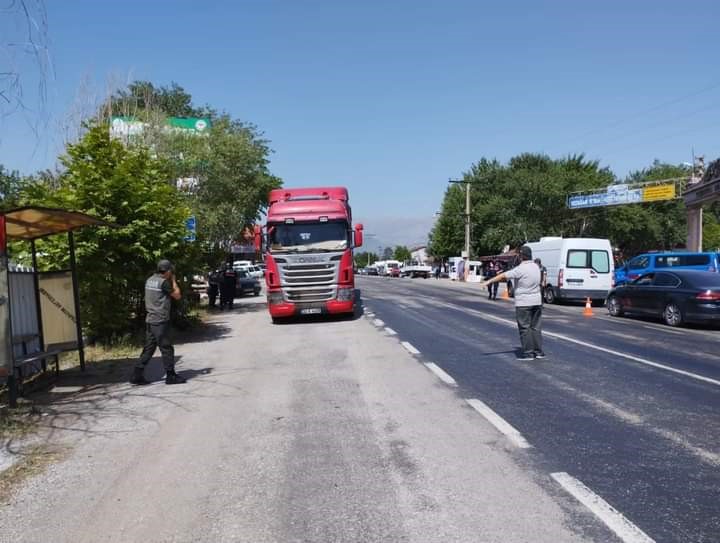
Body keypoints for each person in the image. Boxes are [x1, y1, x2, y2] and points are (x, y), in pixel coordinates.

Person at [481, 246, 544, 360]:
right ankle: (538, 352)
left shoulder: (520, 269)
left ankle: (528, 353)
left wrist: (488, 281)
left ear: (521, 256)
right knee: (535, 327)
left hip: (524, 303)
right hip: (537, 301)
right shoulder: (536, 266)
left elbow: (503, 275)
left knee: (525, 328)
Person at [130, 259, 186, 385]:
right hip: (160, 320)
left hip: (150, 319)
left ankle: (136, 375)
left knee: (149, 348)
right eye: (171, 271)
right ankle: (171, 376)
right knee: (166, 348)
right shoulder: (164, 282)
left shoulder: (150, 280)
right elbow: (177, 295)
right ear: (168, 271)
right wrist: (173, 281)